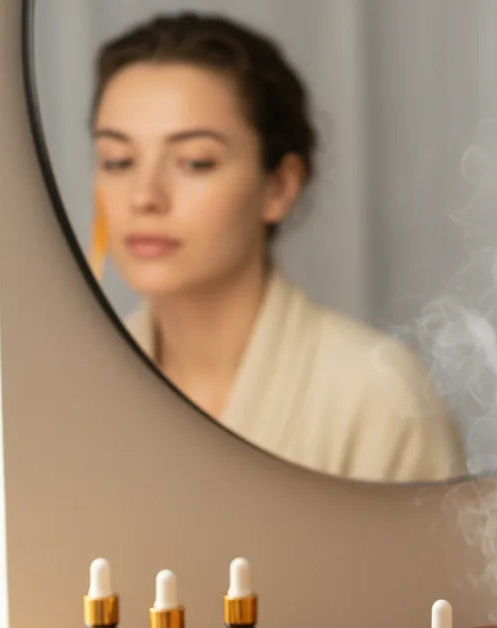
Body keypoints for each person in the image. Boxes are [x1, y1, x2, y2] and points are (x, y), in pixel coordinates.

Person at [90, 13, 465, 483]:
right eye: (117, 160)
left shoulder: (381, 399)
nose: (144, 196)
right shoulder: (82, 392)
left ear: (280, 186)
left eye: (195, 162)